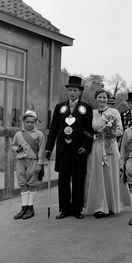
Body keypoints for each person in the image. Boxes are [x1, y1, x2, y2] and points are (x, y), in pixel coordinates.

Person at [45, 76, 93, 219]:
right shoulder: (60, 107)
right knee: (63, 179)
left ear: (80, 92)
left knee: (78, 179)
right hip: (63, 148)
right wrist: (48, 148)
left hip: (79, 149)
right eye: (70, 90)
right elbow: (53, 128)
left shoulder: (86, 108)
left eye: (75, 90)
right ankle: (65, 208)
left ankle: (77, 209)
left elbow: (90, 130)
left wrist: (86, 146)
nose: (72, 93)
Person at [84, 88, 131, 218]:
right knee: (97, 175)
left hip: (110, 146)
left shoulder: (114, 112)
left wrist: (109, 132)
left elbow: (120, 130)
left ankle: (111, 205)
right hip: (96, 146)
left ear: (108, 99)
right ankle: (100, 206)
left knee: (110, 174)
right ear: (96, 98)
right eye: (100, 97)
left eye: (104, 97)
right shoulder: (91, 113)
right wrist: (94, 135)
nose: (102, 100)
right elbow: (87, 130)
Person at [12, 110, 45, 219]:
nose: (30, 124)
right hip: (20, 160)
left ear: (35, 122)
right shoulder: (18, 134)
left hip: (33, 161)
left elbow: (41, 150)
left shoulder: (39, 134)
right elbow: (13, 145)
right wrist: (17, 148)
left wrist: (40, 163)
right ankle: (24, 207)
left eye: (32, 122)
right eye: (27, 122)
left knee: (31, 184)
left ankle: (30, 208)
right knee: (22, 184)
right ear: (24, 122)